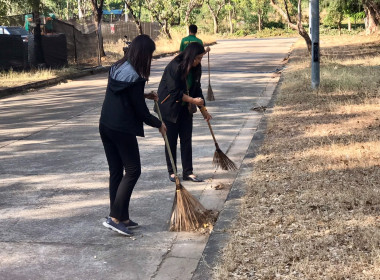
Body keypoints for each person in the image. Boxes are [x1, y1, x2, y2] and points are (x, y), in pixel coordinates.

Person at [99, 34, 167, 236]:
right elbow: (141, 112)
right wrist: (159, 124)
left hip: (105, 125)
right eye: (150, 55)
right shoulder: (136, 77)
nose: (150, 59)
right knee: (133, 170)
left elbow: (123, 95)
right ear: (143, 54)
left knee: (116, 172)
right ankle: (114, 218)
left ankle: (122, 216)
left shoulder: (117, 68)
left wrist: (144, 95)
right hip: (121, 129)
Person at [157, 42, 212, 183]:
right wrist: (193, 100)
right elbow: (175, 93)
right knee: (171, 140)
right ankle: (173, 172)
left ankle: (188, 171)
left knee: (186, 139)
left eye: (201, 58)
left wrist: (203, 110)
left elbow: (197, 89)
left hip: (185, 108)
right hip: (169, 107)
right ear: (191, 56)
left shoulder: (196, 68)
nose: (199, 61)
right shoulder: (174, 67)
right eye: (198, 58)